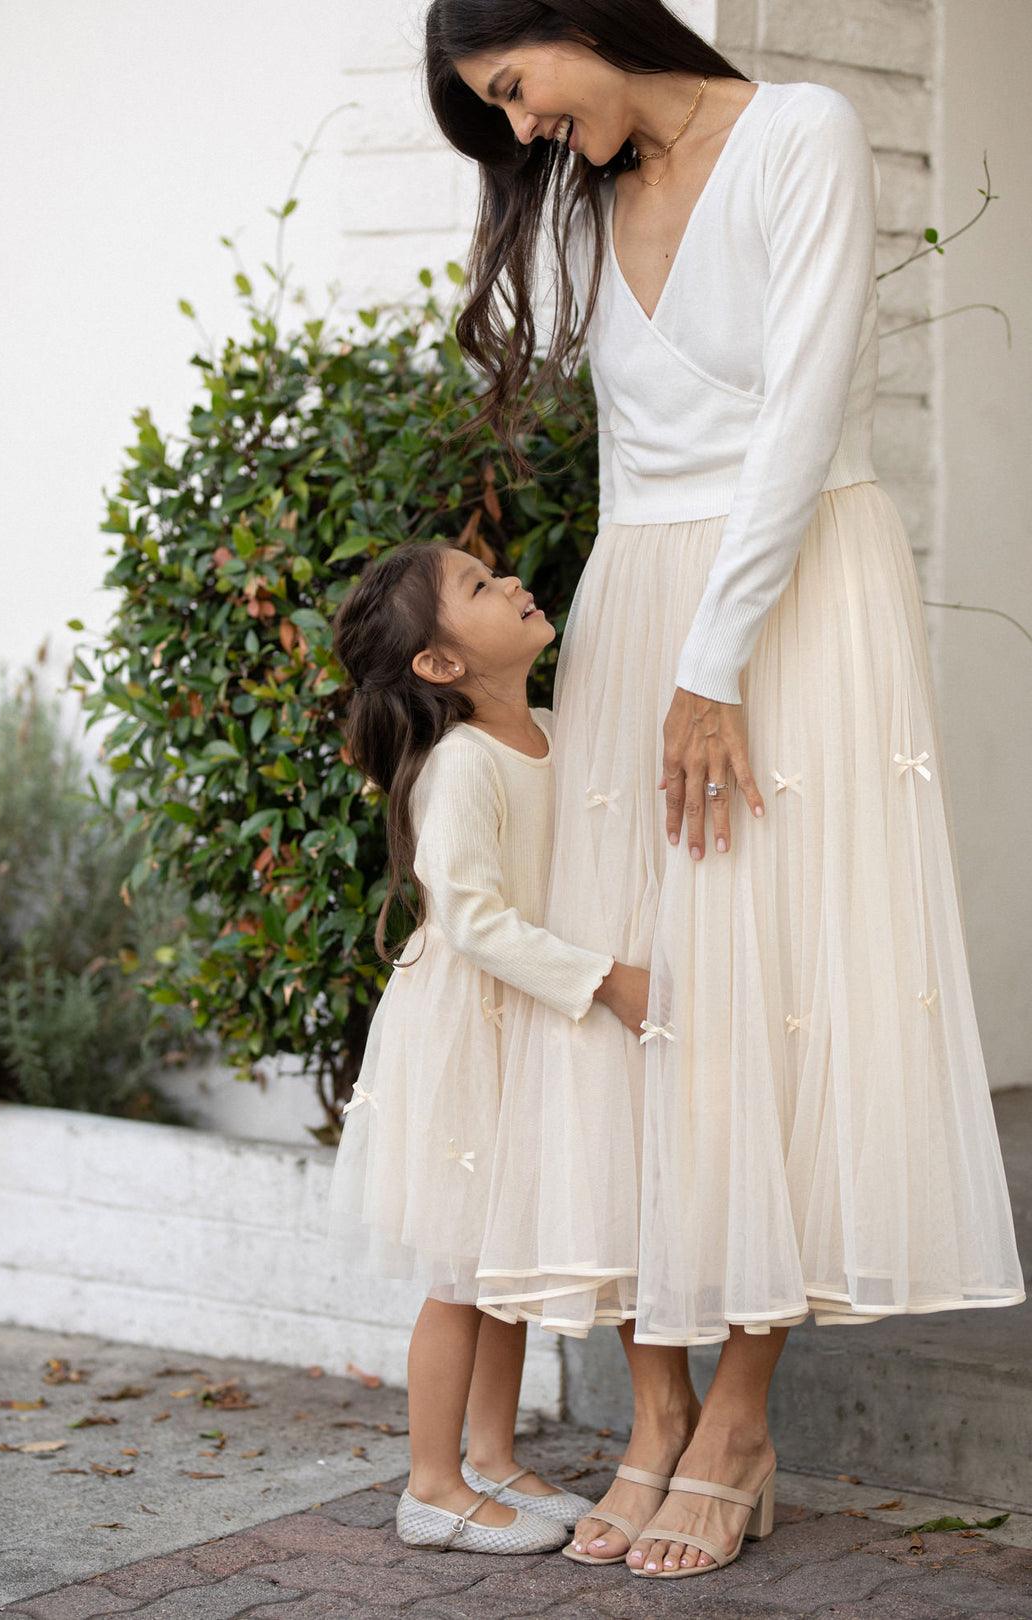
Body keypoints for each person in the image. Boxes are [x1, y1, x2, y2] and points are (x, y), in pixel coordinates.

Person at [423, 0, 1025, 1582]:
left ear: (570, 17)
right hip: (639, 605)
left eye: (516, 88)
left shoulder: (803, 135)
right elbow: (639, 456)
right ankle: (651, 1414)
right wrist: (655, 660)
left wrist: (718, 664)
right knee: (648, 996)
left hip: (796, 596)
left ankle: (740, 1420)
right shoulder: (586, 203)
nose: (526, 130)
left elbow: (803, 412)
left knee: (773, 992)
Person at [329, 541, 650, 1553]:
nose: (510, 583)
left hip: (531, 1031)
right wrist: (600, 979)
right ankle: (430, 1483)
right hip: (471, 1028)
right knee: (462, 1269)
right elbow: (469, 916)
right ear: (440, 665)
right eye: (477, 587)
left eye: (493, 572)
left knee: (504, 1258)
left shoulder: (555, 733)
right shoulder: (463, 764)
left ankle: (494, 1456)